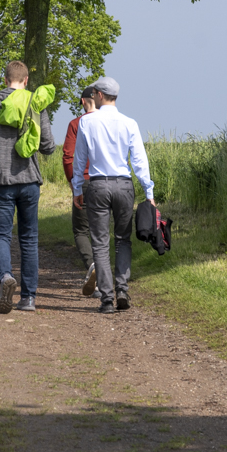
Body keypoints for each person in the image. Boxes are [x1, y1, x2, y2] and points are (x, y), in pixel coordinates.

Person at [0, 60, 57, 313]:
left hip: (0, 181)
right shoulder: (35, 102)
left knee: (1, 235)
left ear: (5, 78)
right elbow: (48, 146)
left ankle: (5, 277)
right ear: (26, 79)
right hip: (29, 180)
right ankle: (28, 298)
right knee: (29, 239)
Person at [70, 77, 155, 314]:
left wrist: (77, 189)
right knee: (122, 239)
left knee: (100, 241)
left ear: (98, 95)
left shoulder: (87, 122)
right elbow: (139, 160)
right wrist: (149, 191)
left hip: (97, 185)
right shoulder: (130, 123)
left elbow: (79, 160)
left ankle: (106, 298)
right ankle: (122, 290)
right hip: (124, 184)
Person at [61, 86, 100, 297]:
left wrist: (73, 183)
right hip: (108, 183)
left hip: (84, 181)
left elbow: (69, 156)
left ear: (83, 101)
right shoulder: (112, 123)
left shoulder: (76, 124)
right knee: (101, 231)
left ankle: (93, 265)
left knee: (80, 230)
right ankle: (109, 282)